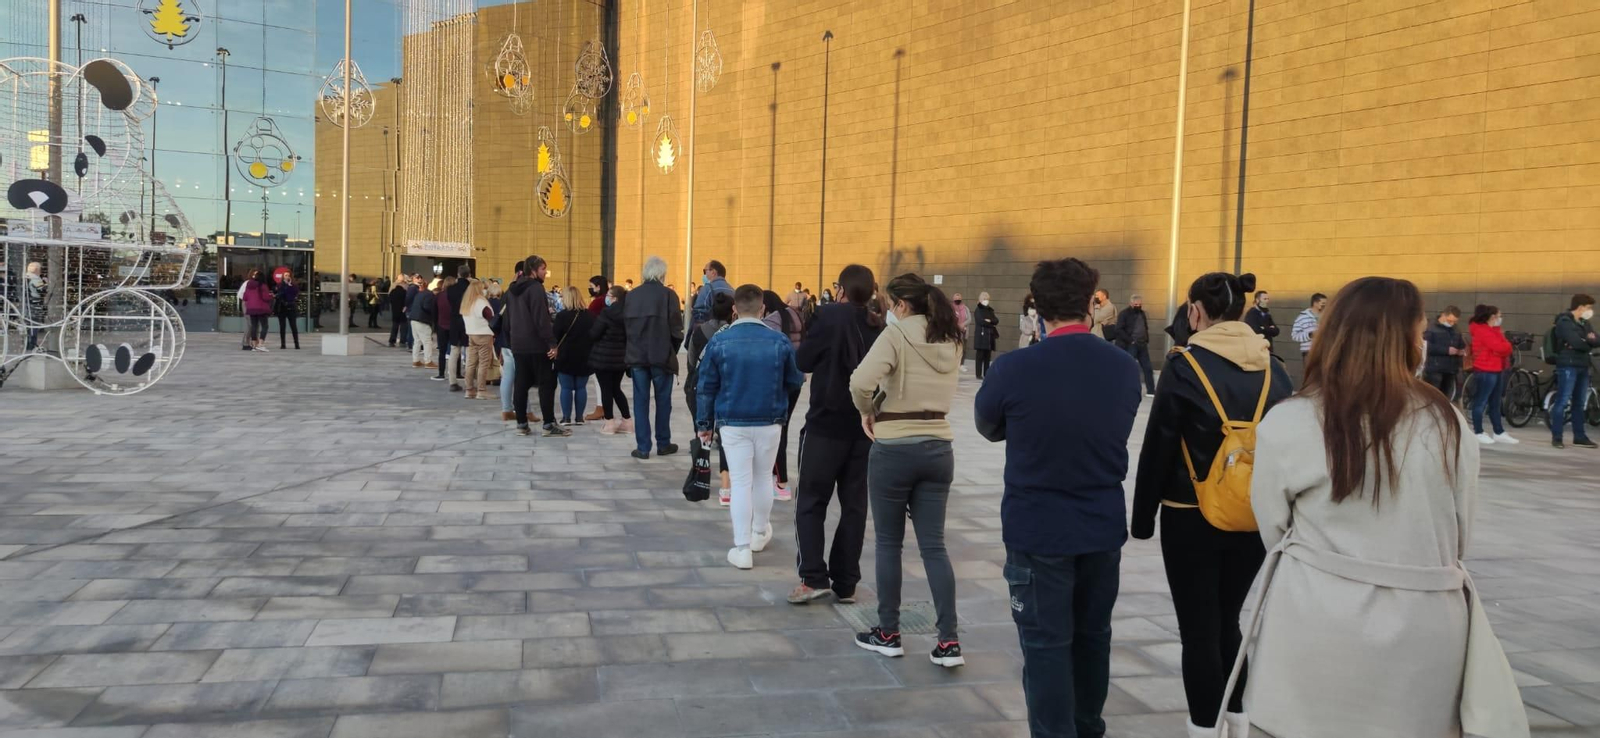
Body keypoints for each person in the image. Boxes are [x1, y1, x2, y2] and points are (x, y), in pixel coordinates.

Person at [1244, 276, 1526, 738]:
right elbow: (1459, 532)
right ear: (1405, 342)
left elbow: (1273, 527)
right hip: (1426, 621)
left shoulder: (1293, 419)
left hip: (1314, 612)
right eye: (1418, 333)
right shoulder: (1447, 422)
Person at [976, 257, 1143, 736]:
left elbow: (988, 427)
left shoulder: (1014, 368)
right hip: (1100, 524)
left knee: (1046, 646)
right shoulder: (1123, 367)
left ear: (1038, 305)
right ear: (1091, 302)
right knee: (1093, 639)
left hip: (1038, 527)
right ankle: (1088, 727)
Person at [1130, 272, 1293, 738]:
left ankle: (1204, 728)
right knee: (1228, 622)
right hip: (1255, 514)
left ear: (1196, 311)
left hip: (1190, 514)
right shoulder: (1273, 367)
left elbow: (1159, 444)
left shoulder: (1185, 365)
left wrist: (1142, 520)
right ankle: (1237, 721)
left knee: (1199, 630)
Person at [849, 273, 965, 668]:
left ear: (900, 305)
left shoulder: (896, 335)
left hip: (895, 445)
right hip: (938, 445)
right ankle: (948, 641)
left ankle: (888, 632)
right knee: (934, 546)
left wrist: (869, 410)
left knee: (888, 544)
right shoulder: (952, 339)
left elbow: (860, 381)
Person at [789, 264, 883, 605]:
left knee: (811, 501)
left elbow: (804, 360)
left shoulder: (829, 316)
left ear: (841, 289)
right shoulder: (877, 322)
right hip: (863, 427)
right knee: (854, 505)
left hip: (825, 423)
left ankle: (813, 576)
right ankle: (846, 582)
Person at [696, 285, 805, 570]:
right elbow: (795, 380)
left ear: (735, 309)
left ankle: (742, 546)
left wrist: (704, 424)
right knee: (762, 478)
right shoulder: (778, 341)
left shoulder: (721, 341)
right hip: (769, 419)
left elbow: (706, 387)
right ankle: (759, 532)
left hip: (732, 421)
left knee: (741, 482)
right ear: (762, 309)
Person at [625, 256, 685, 458]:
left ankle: (643, 447)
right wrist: (671, 350)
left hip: (637, 356)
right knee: (663, 401)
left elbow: (626, 328)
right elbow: (677, 329)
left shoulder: (632, 296)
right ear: (661, 274)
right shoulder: (669, 295)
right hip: (661, 355)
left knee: (640, 402)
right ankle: (663, 442)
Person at [505, 256, 569, 437]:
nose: (545, 273)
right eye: (543, 269)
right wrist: (551, 343)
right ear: (533, 270)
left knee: (521, 383)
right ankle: (548, 424)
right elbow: (541, 319)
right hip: (537, 344)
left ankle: (521, 424)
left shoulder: (511, 290)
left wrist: (510, 341)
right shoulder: (535, 289)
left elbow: (507, 320)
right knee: (546, 383)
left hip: (518, 344)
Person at [687, 292, 734, 500]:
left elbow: (690, 360)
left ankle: (699, 476)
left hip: (700, 387)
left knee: (702, 432)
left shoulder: (699, 332)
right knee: (725, 437)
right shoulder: (732, 334)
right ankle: (726, 484)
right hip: (726, 389)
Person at [761, 290, 807, 500]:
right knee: (783, 427)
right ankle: (779, 480)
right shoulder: (794, 315)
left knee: (776, 430)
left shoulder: (771, 322)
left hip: (778, 381)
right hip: (796, 380)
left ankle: (781, 483)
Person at [1548, 293, 1599, 449]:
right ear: (1580, 307)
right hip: (1568, 365)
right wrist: (1588, 341)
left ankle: (1580, 436)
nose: (1590, 311)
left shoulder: (1584, 322)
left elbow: (1596, 339)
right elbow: (1577, 342)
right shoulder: (1564, 321)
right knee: (1562, 401)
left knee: (1579, 403)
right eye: (1589, 307)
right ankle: (1557, 437)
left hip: (1583, 364)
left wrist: (1589, 340)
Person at [1467, 304, 1516, 446]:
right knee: (1481, 401)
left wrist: (1503, 347)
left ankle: (1498, 432)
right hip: (1485, 369)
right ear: (1492, 316)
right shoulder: (1482, 330)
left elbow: (1503, 347)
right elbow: (1501, 347)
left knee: (1495, 402)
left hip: (1496, 368)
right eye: (1499, 315)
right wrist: (1504, 346)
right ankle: (1478, 431)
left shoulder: (1493, 329)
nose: (1500, 318)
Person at [589, 285, 633, 435]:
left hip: (603, 357)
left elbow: (595, 333)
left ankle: (609, 423)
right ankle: (627, 421)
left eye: (608, 295)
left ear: (614, 298)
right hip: (620, 359)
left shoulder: (607, 313)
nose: (606, 297)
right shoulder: (628, 313)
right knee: (616, 389)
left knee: (606, 390)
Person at [553, 286, 597, 425]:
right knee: (581, 388)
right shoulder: (590, 316)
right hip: (585, 356)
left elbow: (555, 336)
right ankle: (579, 417)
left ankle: (566, 418)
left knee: (566, 388)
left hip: (565, 356)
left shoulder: (562, 316)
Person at [459, 279, 495, 400]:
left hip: (471, 334)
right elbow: (490, 317)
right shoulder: (481, 302)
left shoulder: (467, 302)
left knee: (471, 363)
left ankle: (469, 389)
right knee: (483, 363)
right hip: (484, 334)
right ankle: (481, 390)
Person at [1422, 306, 1466, 401]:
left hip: (1450, 369)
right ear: (1443, 315)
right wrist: (1446, 350)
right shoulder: (1430, 327)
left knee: (1446, 397)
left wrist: (1461, 349)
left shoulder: (1456, 329)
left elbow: (1461, 342)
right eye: (1449, 320)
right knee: (1433, 397)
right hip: (1435, 368)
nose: (1451, 323)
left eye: (1454, 321)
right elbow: (1426, 346)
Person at [1115, 294, 1156, 396]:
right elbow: (1118, 329)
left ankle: (1151, 390)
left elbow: (1145, 327)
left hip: (1142, 344)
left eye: (1140, 304)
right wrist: (1130, 340)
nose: (1138, 306)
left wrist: (1146, 339)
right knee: (1128, 367)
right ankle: (1123, 389)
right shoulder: (1124, 314)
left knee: (1148, 368)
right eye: (1136, 304)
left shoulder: (1142, 314)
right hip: (1130, 344)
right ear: (1131, 303)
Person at [444, 265, 472, 391]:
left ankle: (452, 381)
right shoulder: (471, 288)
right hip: (469, 320)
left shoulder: (451, 289)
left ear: (458, 274)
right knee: (470, 352)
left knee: (454, 351)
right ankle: (469, 382)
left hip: (455, 321)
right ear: (469, 274)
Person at [691, 259, 734, 335]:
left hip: (710, 333)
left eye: (705, 271)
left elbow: (700, 312)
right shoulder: (732, 290)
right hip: (728, 332)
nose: (704, 275)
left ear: (713, 272)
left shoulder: (708, 289)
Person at [241, 270, 275, 352]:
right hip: (261, 308)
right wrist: (271, 296)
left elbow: (245, 297)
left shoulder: (248, 286)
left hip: (251, 308)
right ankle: (260, 344)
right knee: (265, 326)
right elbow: (266, 297)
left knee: (254, 326)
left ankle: (254, 345)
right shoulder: (262, 286)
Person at [409, 275, 438, 369]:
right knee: (427, 341)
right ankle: (428, 361)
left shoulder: (418, 294)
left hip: (413, 318)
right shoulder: (429, 294)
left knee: (417, 341)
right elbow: (427, 307)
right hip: (423, 320)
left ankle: (415, 360)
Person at [432, 276, 457, 385]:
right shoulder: (457, 296)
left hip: (441, 325)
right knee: (455, 350)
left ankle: (441, 373)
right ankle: (457, 373)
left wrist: (435, 324)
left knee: (442, 351)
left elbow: (433, 310)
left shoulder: (439, 296)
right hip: (454, 325)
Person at [1291, 292, 1327, 366]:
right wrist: (1310, 335)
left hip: (1324, 351)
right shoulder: (1302, 317)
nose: (1324, 305)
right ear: (1315, 303)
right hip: (1309, 352)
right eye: (1322, 303)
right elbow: (1294, 336)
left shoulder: (1327, 317)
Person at [972, 292, 1000, 379]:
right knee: (980, 355)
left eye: (987, 299)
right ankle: (978, 374)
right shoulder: (978, 310)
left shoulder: (990, 310)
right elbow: (981, 321)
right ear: (980, 300)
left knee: (988, 356)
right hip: (981, 335)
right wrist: (991, 323)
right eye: (984, 299)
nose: (986, 301)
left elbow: (996, 320)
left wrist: (990, 321)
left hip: (989, 336)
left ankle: (986, 373)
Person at [24, 262, 46, 351]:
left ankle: (28, 343)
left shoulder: (26, 277)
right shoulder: (36, 279)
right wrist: (45, 282)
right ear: (37, 270)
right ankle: (32, 344)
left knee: (28, 324)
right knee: (34, 325)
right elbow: (42, 290)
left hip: (28, 304)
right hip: (35, 304)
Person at [274, 273, 301, 350]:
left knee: (293, 326)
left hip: (291, 306)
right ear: (283, 277)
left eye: (289, 275)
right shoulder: (280, 285)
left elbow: (295, 293)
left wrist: (290, 286)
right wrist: (285, 287)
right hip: (282, 307)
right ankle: (283, 344)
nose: (287, 277)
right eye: (285, 275)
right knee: (282, 326)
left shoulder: (293, 285)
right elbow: (279, 294)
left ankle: (296, 343)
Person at [387, 275, 411, 348]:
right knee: (403, 325)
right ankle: (403, 340)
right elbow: (408, 298)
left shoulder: (393, 287)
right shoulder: (406, 288)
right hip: (403, 309)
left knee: (395, 325)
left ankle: (392, 339)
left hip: (395, 309)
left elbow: (389, 297)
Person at [952, 292, 972, 372]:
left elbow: (969, 319)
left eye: (959, 298)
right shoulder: (951, 308)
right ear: (953, 299)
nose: (958, 300)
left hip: (964, 331)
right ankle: (954, 364)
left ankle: (961, 364)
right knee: (955, 349)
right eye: (956, 298)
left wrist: (962, 325)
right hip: (954, 332)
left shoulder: (965, 308)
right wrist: (957, 326)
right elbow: (950, 319)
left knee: (963, 349)